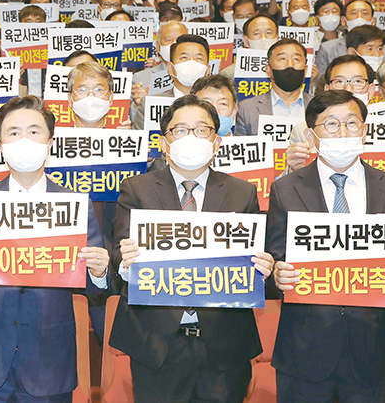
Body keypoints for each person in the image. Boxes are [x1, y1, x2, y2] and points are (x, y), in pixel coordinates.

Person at [0, 95, 110, 403]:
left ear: (50, 142)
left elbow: (93, 283)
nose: (24, 139)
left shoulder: (75, 205)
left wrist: (99, 271)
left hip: (49, 359)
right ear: (0, 145)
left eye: (34, 131)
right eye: (13, 133)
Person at [267, 90, 385, 403]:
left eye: (352, 123)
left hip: (374, 353)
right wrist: (276, 275)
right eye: (331, 124)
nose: (342, 132)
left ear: (365, 130)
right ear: (312, 136)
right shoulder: (285, 188)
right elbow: (275, 257)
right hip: (304, 351)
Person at [111, 94, 274, 403]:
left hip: (225, 345)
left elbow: (253, 260)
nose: (191, 137)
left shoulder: (242, 192)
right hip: (156, 344)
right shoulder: (137, 188)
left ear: (216, 141)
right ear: (164, 142)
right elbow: (119, 253)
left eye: (202, 130)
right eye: (181, 130)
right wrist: (126, 263)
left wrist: (262, 268)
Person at [236, 39, 312, 136]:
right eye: (282, 59)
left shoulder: (321, 107)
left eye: (296, 59)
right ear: (268, 69)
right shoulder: (246, 109)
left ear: (305, 70)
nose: (290, 65)